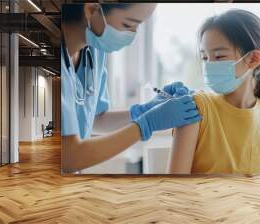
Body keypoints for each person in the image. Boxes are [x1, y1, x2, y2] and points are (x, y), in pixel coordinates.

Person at [61, 3, 201, 173]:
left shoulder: (95, 52)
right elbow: (70, 156)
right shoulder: (59, 65)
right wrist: (146, 124)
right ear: (92, 10)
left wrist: (144, 111)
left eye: (137, 26)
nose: (132, 35)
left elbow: (95, 119)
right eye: (128, 25)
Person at [168, 9, 260, 175]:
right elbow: (174, 186)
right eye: (205, 57)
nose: (209, 65)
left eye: (219, 57)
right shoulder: (194, 108)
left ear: (253, 59)